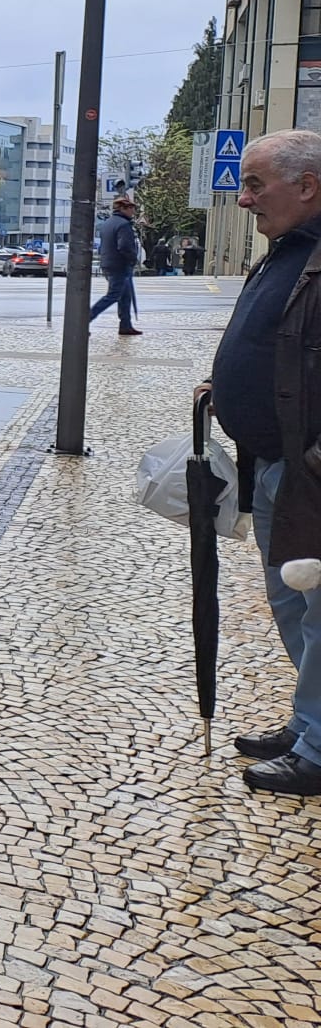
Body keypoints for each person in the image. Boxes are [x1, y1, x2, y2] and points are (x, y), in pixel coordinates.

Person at [208, 129, 321, 795]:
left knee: (318, 611)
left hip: (310, 473)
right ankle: (310, 722)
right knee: (292, 603)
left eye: (256, 184)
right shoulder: (291, 249)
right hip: (277, 464)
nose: (244, 198)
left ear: (306, 186)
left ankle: (318, 750)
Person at [90, 193, 144, 335]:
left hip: (109, 263)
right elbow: (124, 246)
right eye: (131, 208)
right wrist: (133, 259)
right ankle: (86, 319)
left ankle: (125, 325)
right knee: (113, 295)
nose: (133, 211)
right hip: (120, 265)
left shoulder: (108, 223)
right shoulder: (124, 225)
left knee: (125, 296)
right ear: (123, 209)